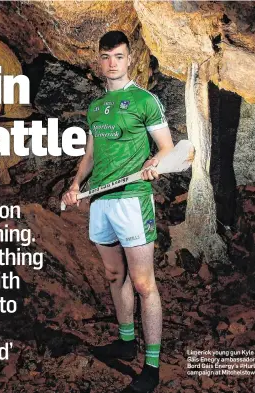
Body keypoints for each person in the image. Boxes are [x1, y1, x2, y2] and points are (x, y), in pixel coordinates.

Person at [61, 31, 174, 393]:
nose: (112, 62)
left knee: (143, 284)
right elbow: (91, 156)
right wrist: (77, 184)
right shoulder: (96, 107)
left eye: (119, 56)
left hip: (133, 198)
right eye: (106, 56)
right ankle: (126, 342)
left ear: (129, 59)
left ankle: (152, 367)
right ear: (100, 60)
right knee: (113, 275)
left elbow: (168, 149)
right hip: (101, 201)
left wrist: (157, 161)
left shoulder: (144, 101)